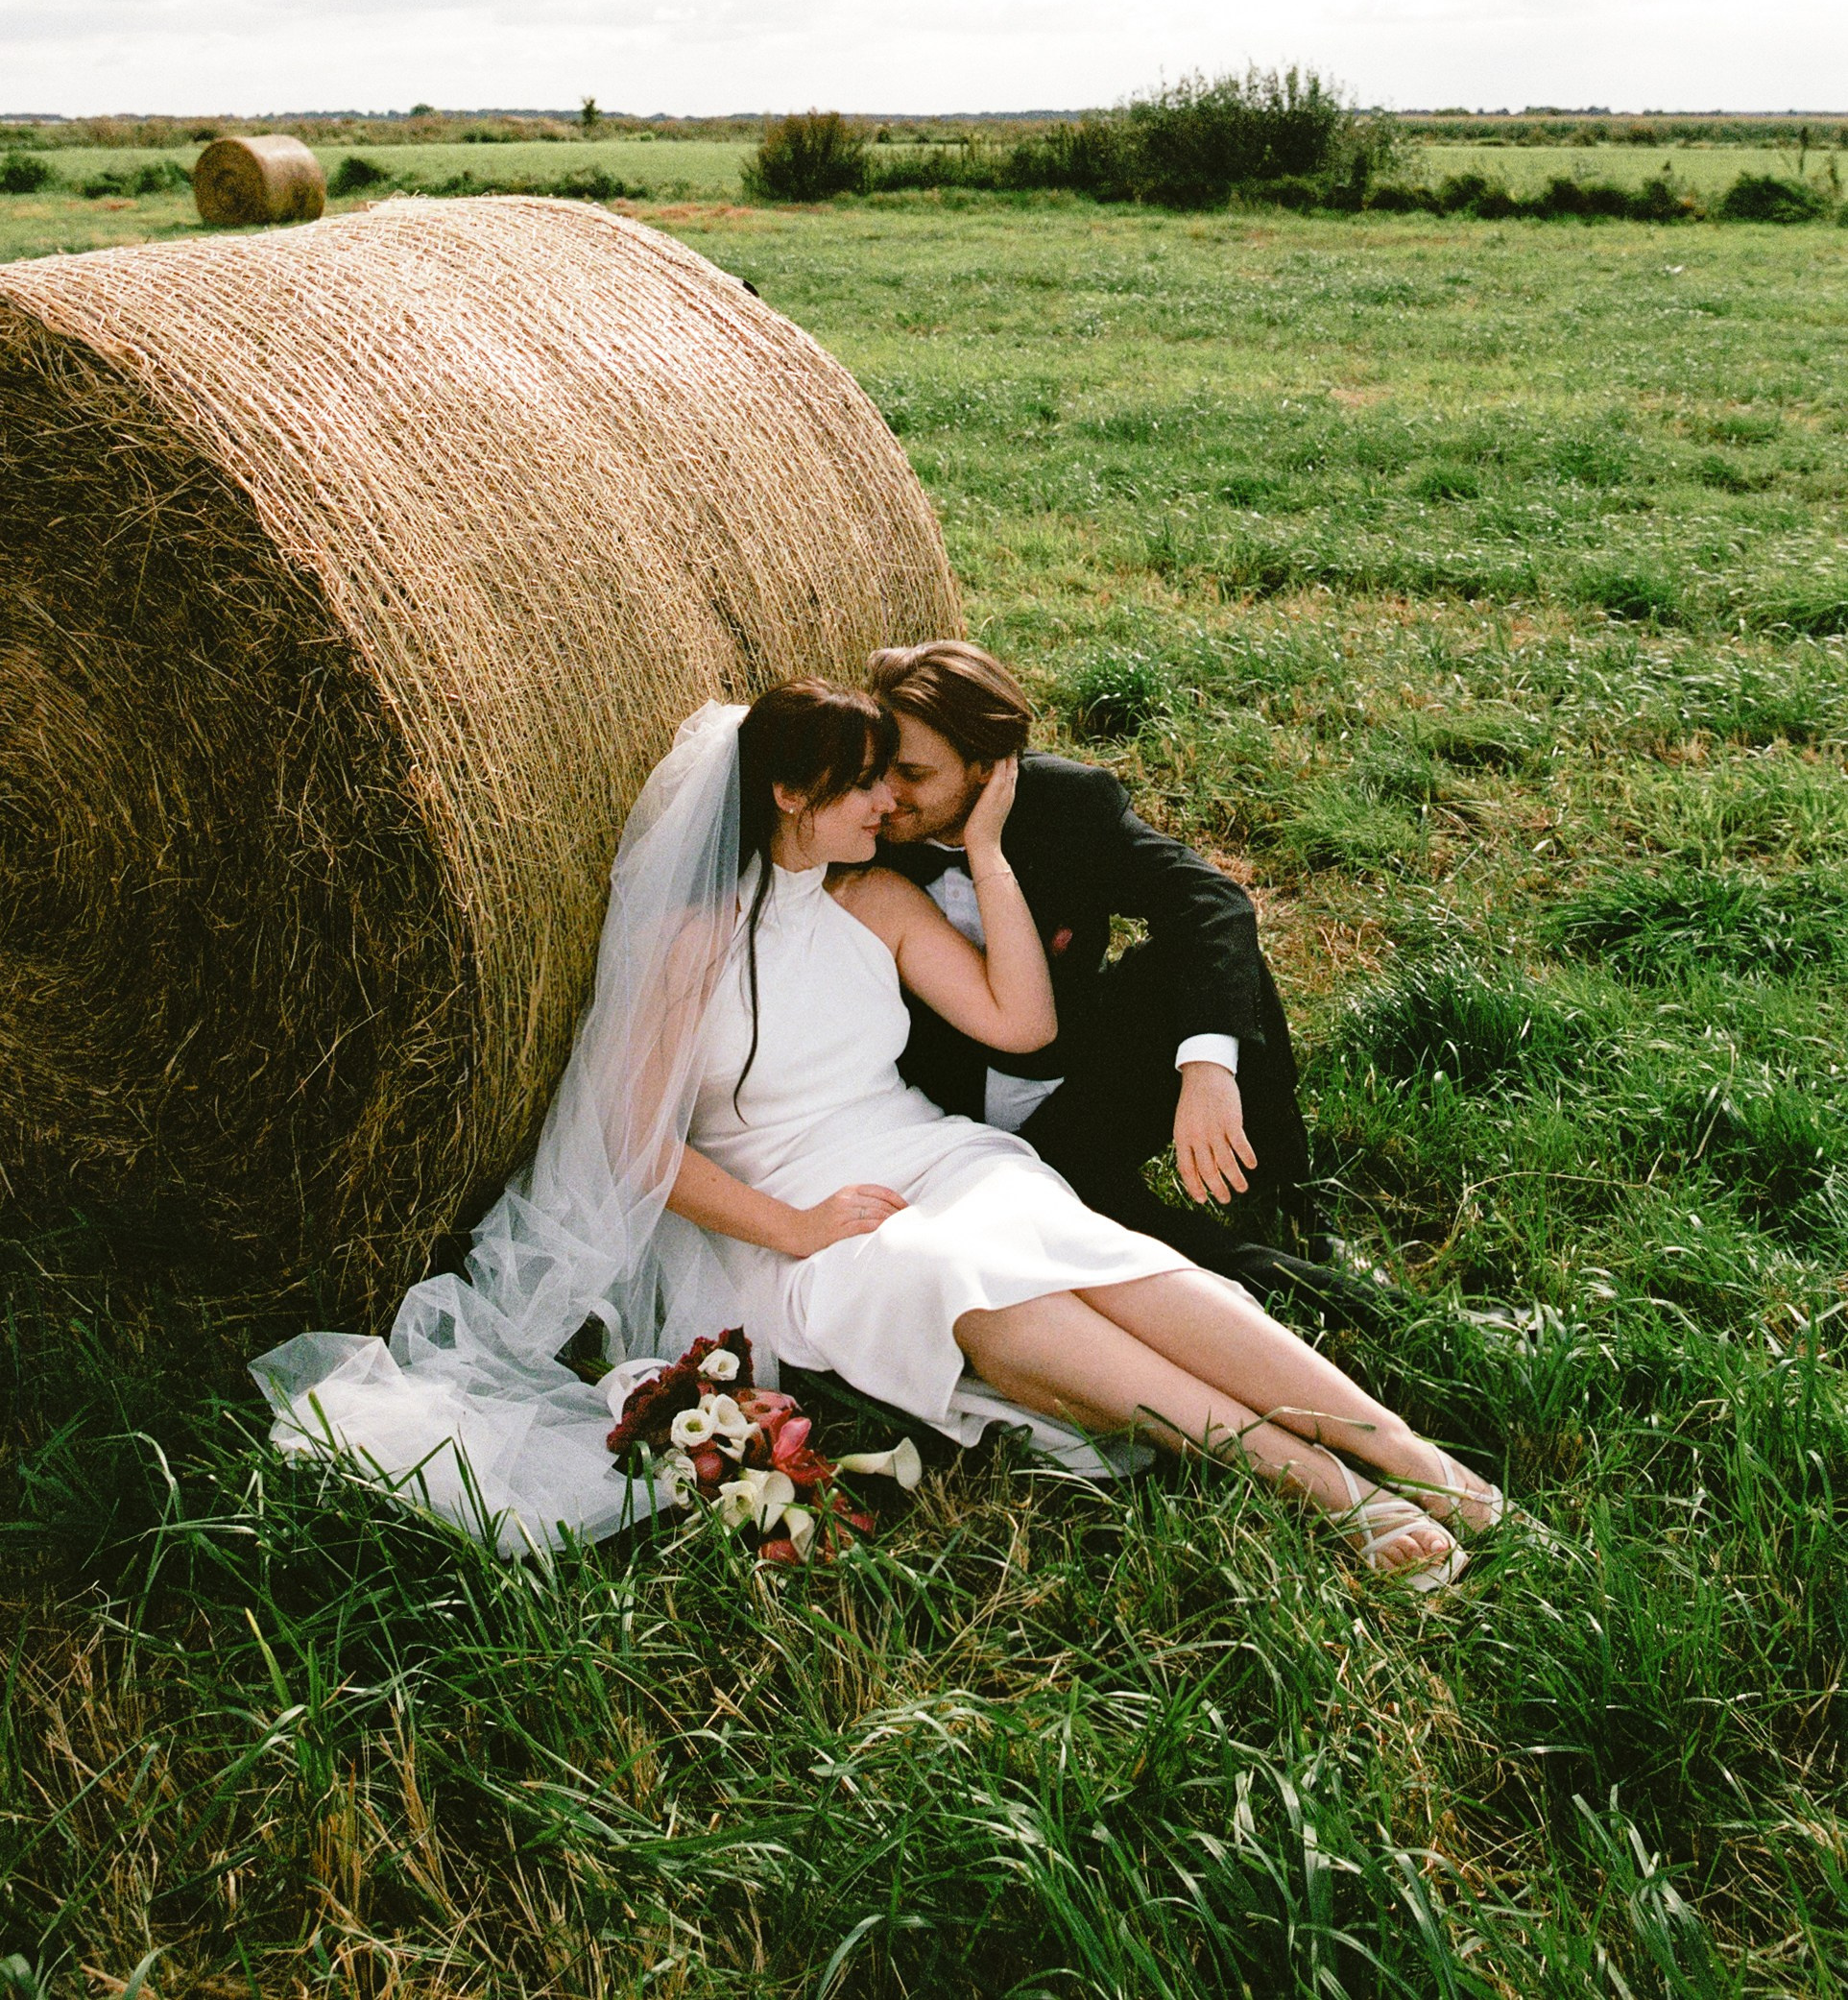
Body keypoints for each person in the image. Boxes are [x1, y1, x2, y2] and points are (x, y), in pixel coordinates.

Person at [260, 683, 1500, 1579]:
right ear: (793, 793)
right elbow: (639, 1147)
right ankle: (1329, 1490)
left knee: (1098, 1254)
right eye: (863, 783)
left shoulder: (879, 894)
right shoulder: (695, 942)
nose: (886, 803)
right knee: (957, 1283)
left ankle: (1405, 1447)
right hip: (781, 1217)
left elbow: (1020, 1021)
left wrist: (989, 852)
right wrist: (798, 1224)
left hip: (921, 1150)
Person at [867, 640, 1378, 1319]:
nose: (886, 792)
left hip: (1082, 1069)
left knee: (1222, 965)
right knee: (1159, 1246)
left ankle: (1286, 1194)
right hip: (958, 1127)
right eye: (881, 765)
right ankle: (1368, 1310)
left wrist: (1206, 1069)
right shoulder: (860, 831)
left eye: (912, 771)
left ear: (986, 770)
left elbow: (1210, 902)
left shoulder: (1066, 804)